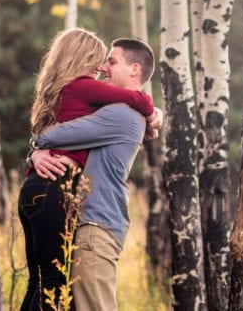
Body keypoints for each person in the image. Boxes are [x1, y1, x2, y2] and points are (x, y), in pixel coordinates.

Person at [18, 29, 157, 311]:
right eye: (101, 60)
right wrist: (153, 112)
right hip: (61, 197)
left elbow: (52, 135)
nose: (103, 67)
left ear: (135, 69)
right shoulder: (100, 103)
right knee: (50, 285)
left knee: (45, 284)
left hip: (91, 220)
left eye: (111, 62)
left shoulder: (118, 113)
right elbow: (57, 136)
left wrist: (37, 146)